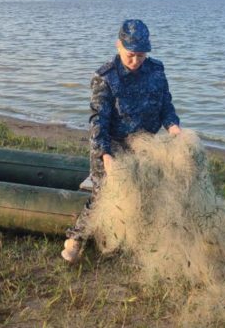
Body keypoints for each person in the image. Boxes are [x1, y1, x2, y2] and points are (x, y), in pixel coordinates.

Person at [61, 19, 182, 263]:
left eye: (141, 55)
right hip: (111, 143)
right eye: (131, 55)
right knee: (102, 191)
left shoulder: (156, 71)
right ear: (118, 45)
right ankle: (76, 239)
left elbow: (166, 105)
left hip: (146, 143)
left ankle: (141, 238)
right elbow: (98, 120)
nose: (136, 61)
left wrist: (173, 127)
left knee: (151, 188)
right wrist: (105, 155)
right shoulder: (105, 77)